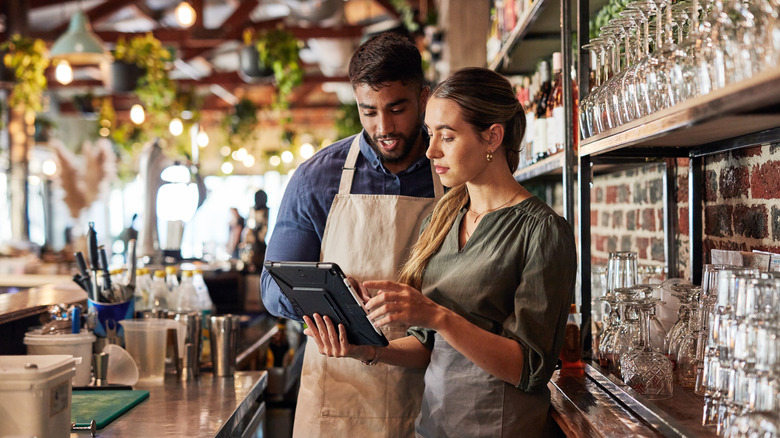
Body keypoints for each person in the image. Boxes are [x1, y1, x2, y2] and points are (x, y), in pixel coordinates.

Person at [303, 67, 577, 437]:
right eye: (431, 134)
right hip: (433, 427)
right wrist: (365, 348)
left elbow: (529, 368)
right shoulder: (443, 217)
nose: (431, 150)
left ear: (492, 137)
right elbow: (426, 345)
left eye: (447, 136)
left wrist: (437, 315)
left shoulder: (542, 230)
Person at [260, 31, 443, 437]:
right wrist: (331, 298)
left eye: (397, 109)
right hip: (340, 397)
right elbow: (272, 287)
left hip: (435, 392)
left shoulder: (451, 169)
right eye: (369, 112)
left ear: (424, 97)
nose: (384, 127)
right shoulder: (316, 178)